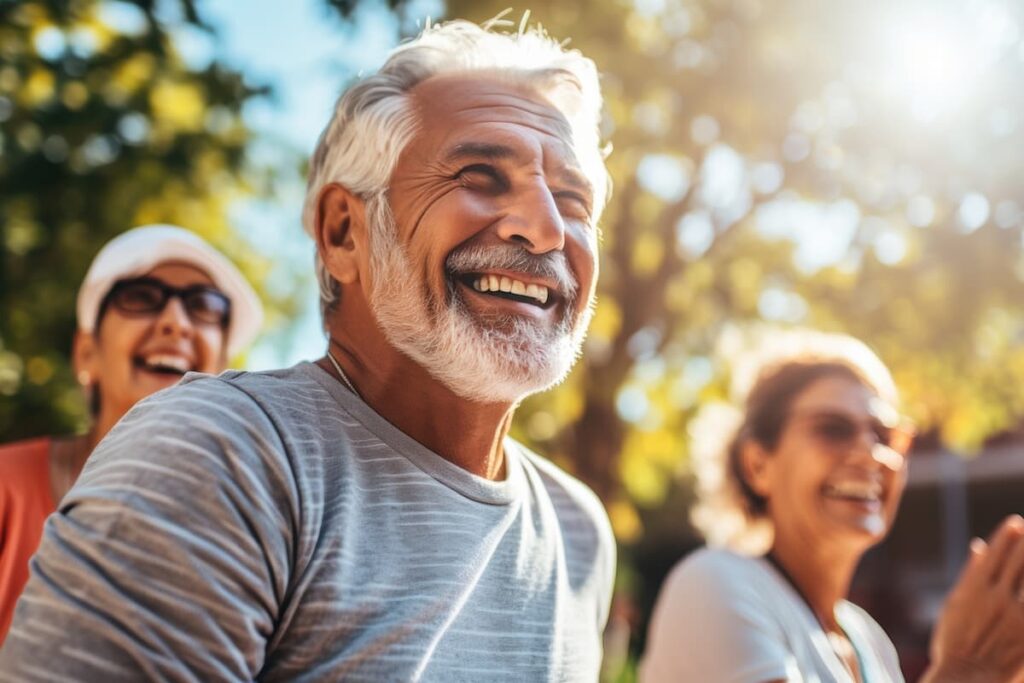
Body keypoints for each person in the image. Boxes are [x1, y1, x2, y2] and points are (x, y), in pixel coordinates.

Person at [0, 19, 616, 681]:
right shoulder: (218, 455)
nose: (548, 227)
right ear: (343, 231)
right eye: (480, 175)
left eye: (573, 197)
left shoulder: (579, 532)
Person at [640, 331, 1024, 682]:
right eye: (832, 428)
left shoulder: (869, 640)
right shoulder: (713, 584)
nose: (870, 453)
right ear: (757, 465)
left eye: (884, 434)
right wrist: (968, 670)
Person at [0, 224, 263, 644]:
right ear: (87, 352)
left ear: (223, 367)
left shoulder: (256, 536)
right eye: (140, 297)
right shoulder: (6, 486)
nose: (176, 323)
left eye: (203, 306)